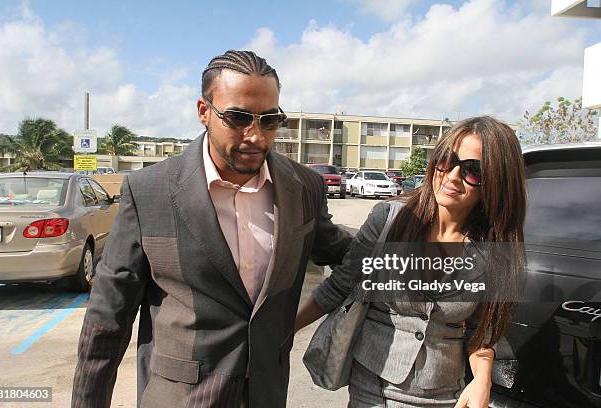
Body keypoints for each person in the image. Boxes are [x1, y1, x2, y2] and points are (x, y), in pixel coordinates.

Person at [71, 50, 352, 408]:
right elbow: (108, 318)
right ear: (204, 111)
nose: (256, 136)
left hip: (267, 393)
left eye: (269, 120)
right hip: (180, 397)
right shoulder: (150, 192)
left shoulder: (304, 188)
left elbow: (348, 255)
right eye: (237, 118)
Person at [295, 116, 527, 408]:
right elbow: (338, 287)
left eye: (473, 171)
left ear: (497, 182)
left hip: (446, 395)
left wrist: (481, 380)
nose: (452, 175)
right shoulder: (390, 220)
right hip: (374, 391)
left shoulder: (493, 248)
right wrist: (280, 332)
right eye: (446, 160)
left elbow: (484, 331)